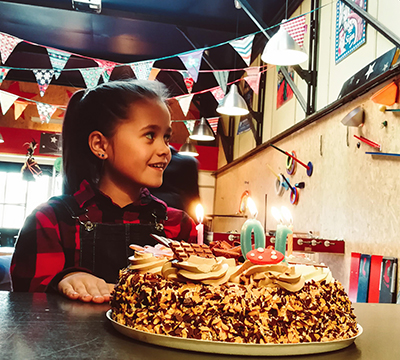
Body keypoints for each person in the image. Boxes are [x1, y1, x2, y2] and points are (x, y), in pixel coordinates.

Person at [10, 80, 197, 304]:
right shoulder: (50, 221)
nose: (165, 150)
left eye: (166, 137)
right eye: (149, 135)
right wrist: (66, 278)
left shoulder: (180, 226)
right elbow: (25, 309)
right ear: (100, 145)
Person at [149, 145, 200, 220]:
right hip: (179, 214)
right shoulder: (188, 162)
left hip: (150, 212)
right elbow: (194, 197)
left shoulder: (146, 162)